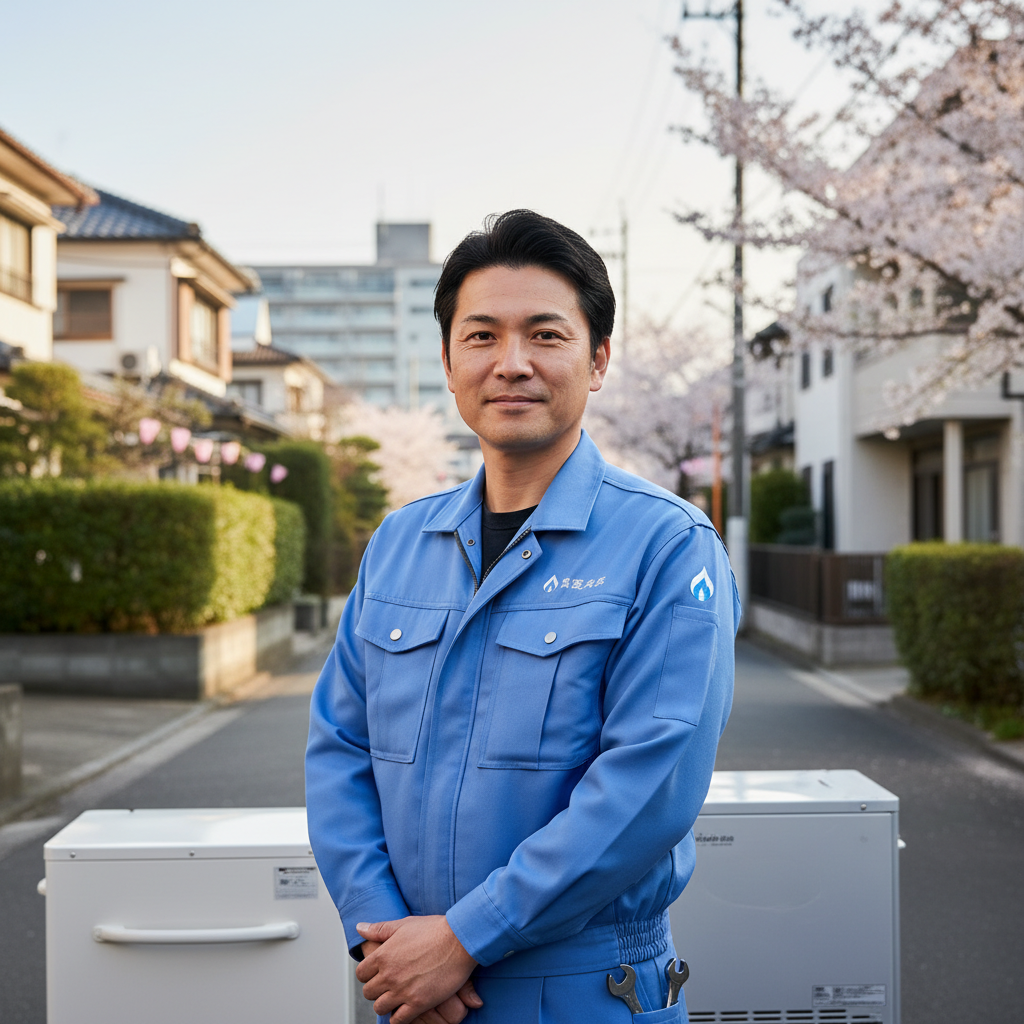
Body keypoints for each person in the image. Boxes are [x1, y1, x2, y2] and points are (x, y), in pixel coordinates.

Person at [306, 210, 739, 1024]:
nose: (512, 364)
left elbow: (648, 788)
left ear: (598, 359)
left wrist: (466, 938)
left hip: (587, 988)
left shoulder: (668, 545)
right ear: (446, 360)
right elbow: (339, 749)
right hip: (408, 985)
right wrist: (382, 938)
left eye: (545, 335)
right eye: (481, 337)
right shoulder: (401, 542)